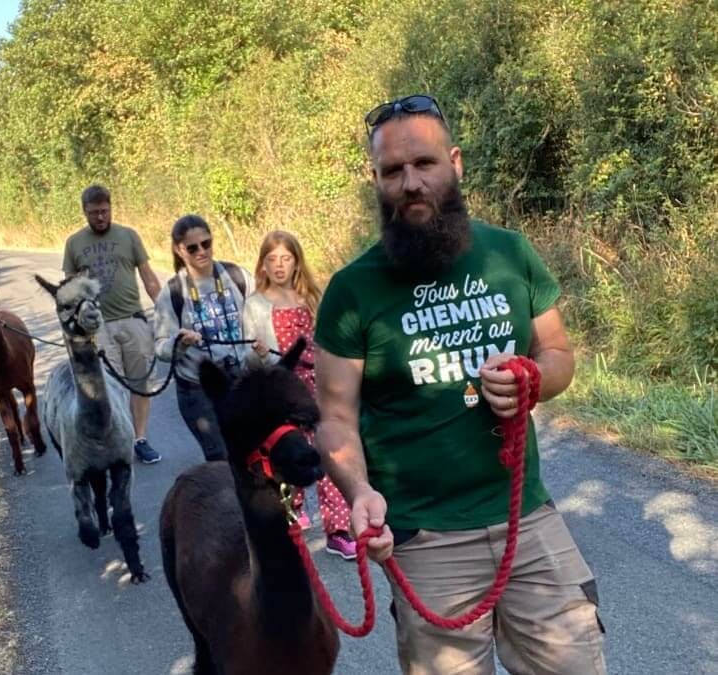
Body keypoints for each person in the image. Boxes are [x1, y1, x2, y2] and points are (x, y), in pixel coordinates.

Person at [314, 95, 606, 674]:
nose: (411, 184)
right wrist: (358, 491)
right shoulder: (352, 291)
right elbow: (336, 418)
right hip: (426, 539)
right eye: (393, 171)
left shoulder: (511, 254)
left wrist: (534, 380)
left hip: (527, 520)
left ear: (455, 163)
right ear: (376, 180)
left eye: (424, 163)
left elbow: (557, 354)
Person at [243, 230, 357, 560]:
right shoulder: (255, 305)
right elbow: (248, 358)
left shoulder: (310, 297)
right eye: (272, 259)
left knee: (329, 451)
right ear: (263, 265)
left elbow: (328, 337)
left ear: (296, 262)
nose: (279, 265)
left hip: (317, 384)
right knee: (292, 453)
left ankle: (337, 530)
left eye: (286, 258)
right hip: (284, 391)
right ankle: (292, 508)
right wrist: (259, 354)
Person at [62, 184, 162, 464]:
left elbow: (148, 277)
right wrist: (74, 328)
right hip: (99, 328)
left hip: (133, 320)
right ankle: (121, 442)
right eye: (94, 212)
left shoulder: (128, 236)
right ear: (85, 212)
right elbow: (70, 288)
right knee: (110, 389)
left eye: (105, 211)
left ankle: (140, 439)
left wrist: (164, 311)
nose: (100, 217)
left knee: (140, 383)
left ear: (111, 208)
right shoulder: (74, 243)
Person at [153, 214, 255, 461]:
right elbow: (161, 348)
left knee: (251, 451)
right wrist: (179, 342)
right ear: (179, 250)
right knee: (221, 458)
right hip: (199, 389)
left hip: (240, 379)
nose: (201, 252)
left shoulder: (237, 276)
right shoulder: (173, 292)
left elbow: (260, 316)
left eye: (206, 244)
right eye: (192, 247)